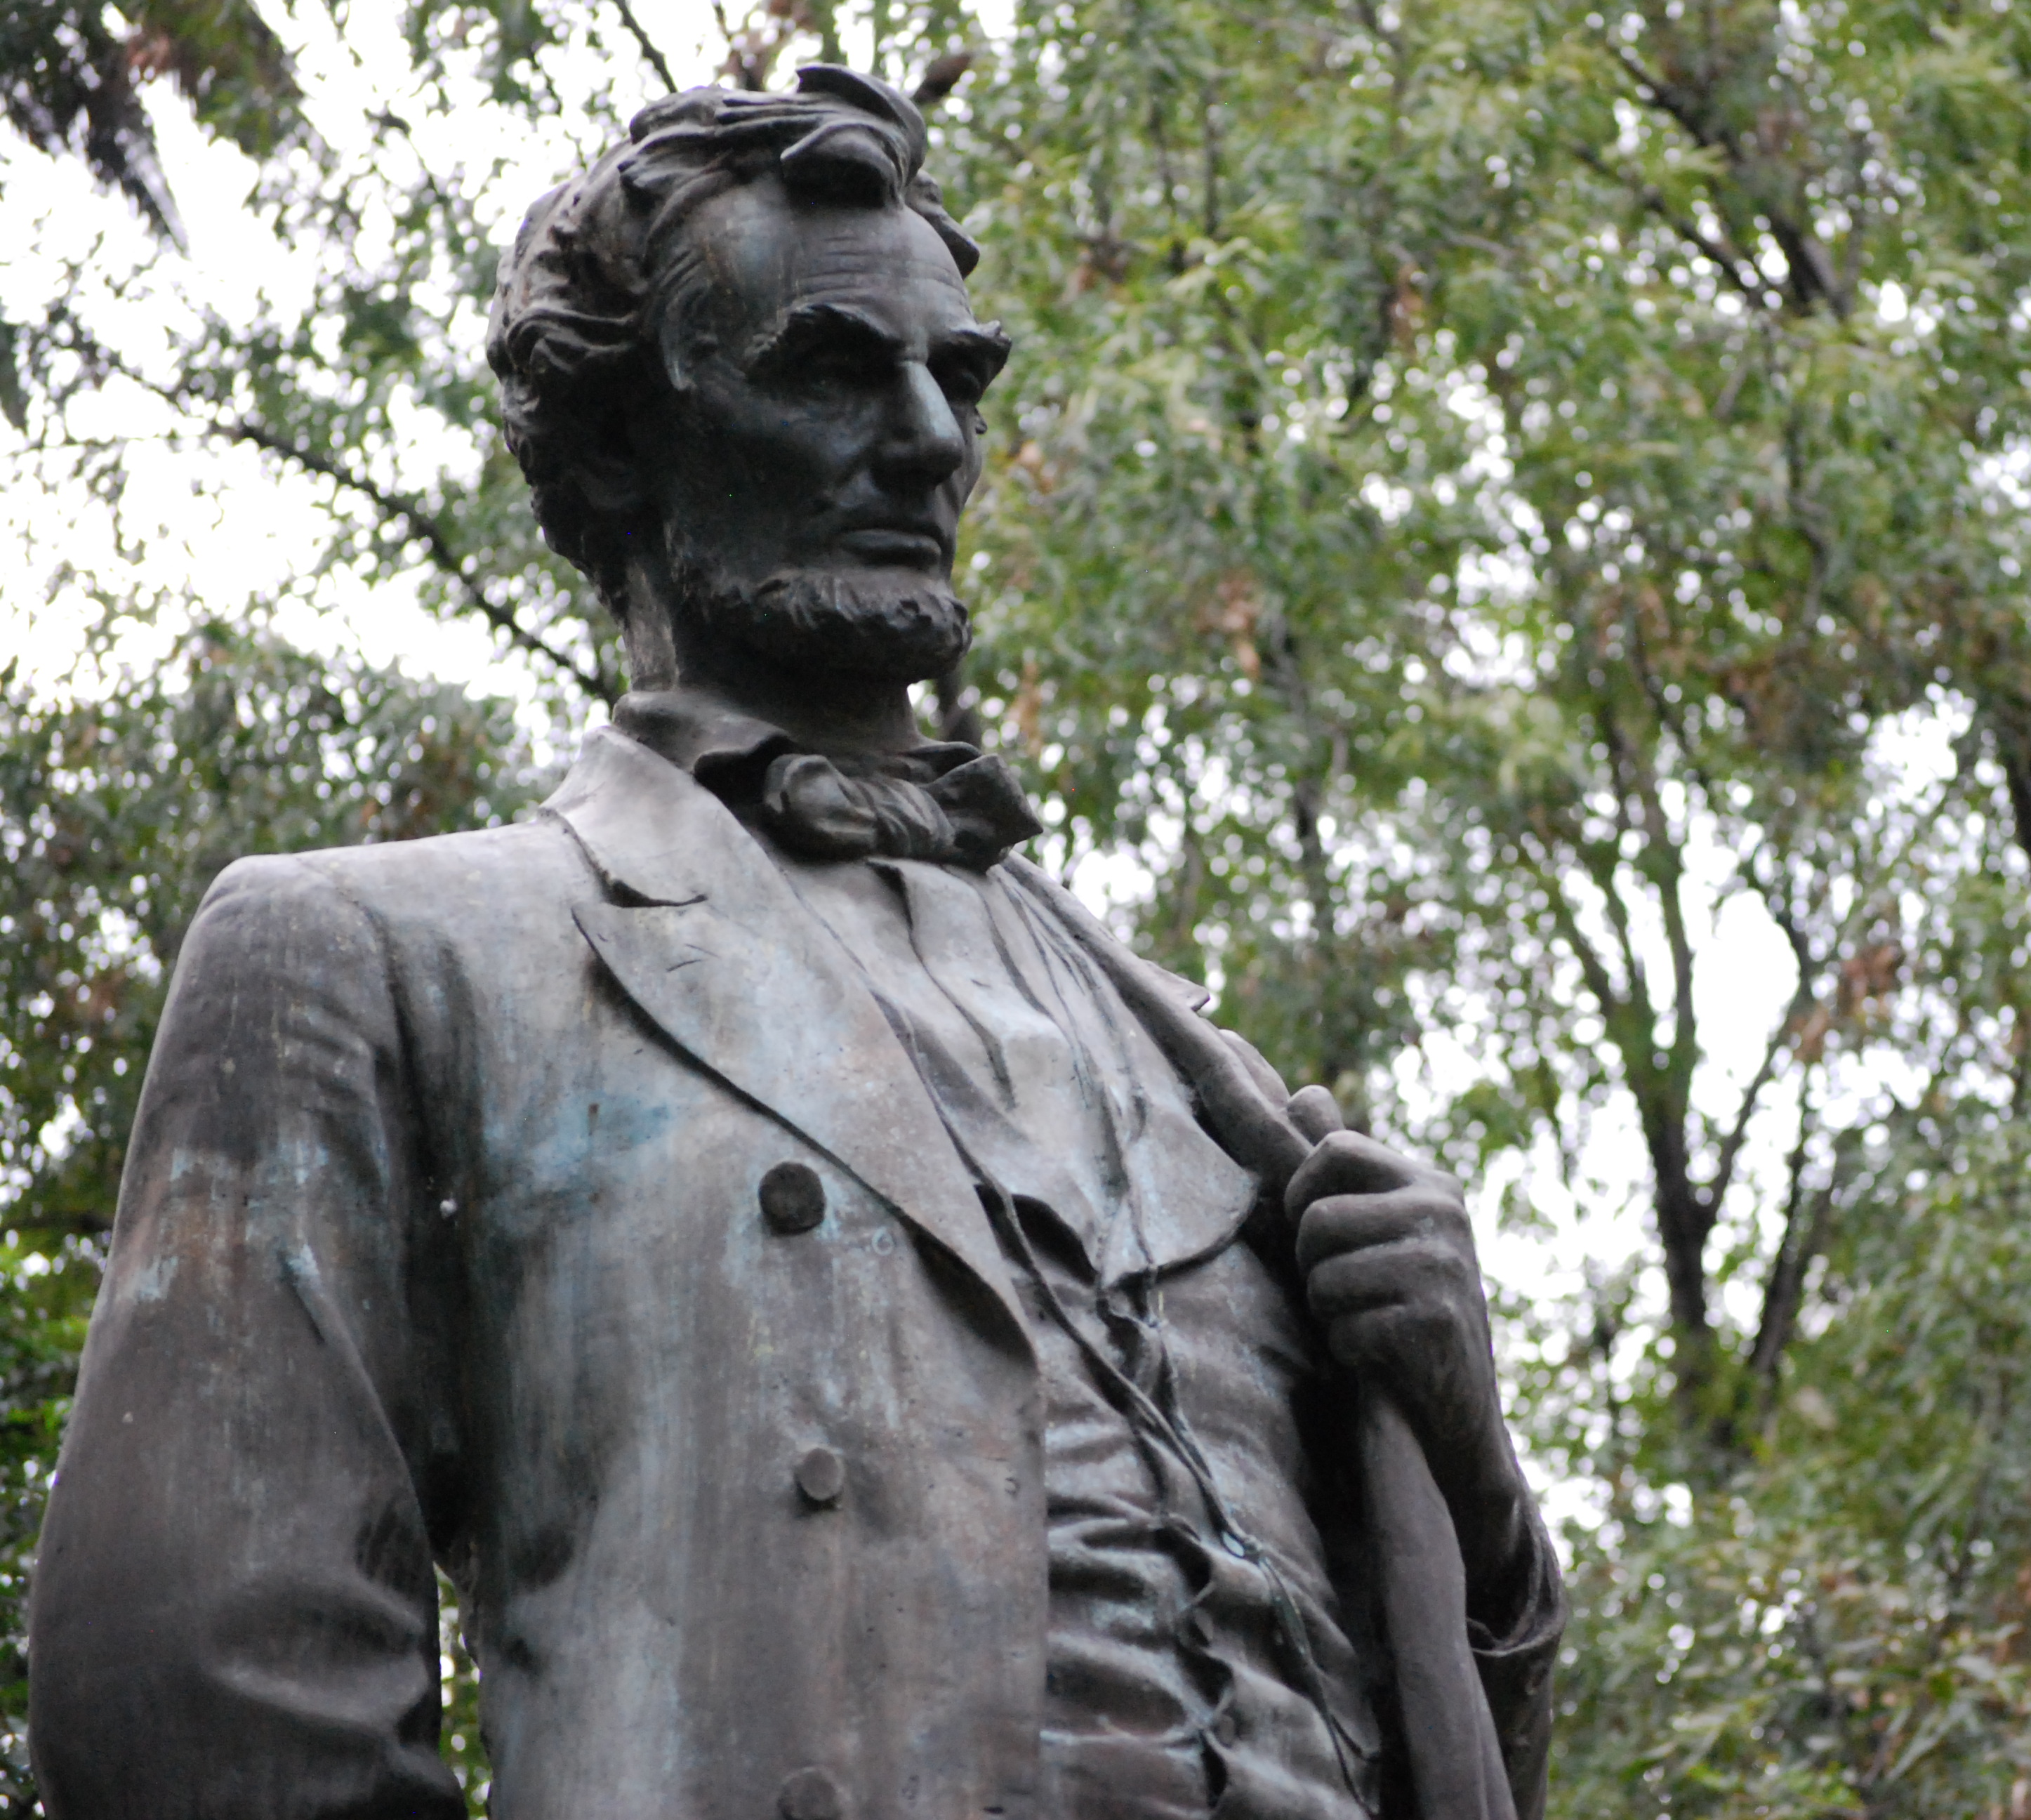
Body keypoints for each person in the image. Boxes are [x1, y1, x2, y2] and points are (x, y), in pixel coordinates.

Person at [27, 65, 1559, 1820]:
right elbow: (201, 1704)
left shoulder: (1201, 1075)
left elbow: (1436, 1748)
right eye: (830, 370)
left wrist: (1476, 1481)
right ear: (615, 444)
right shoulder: (384, 956)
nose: (926, 441)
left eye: (954, 376)